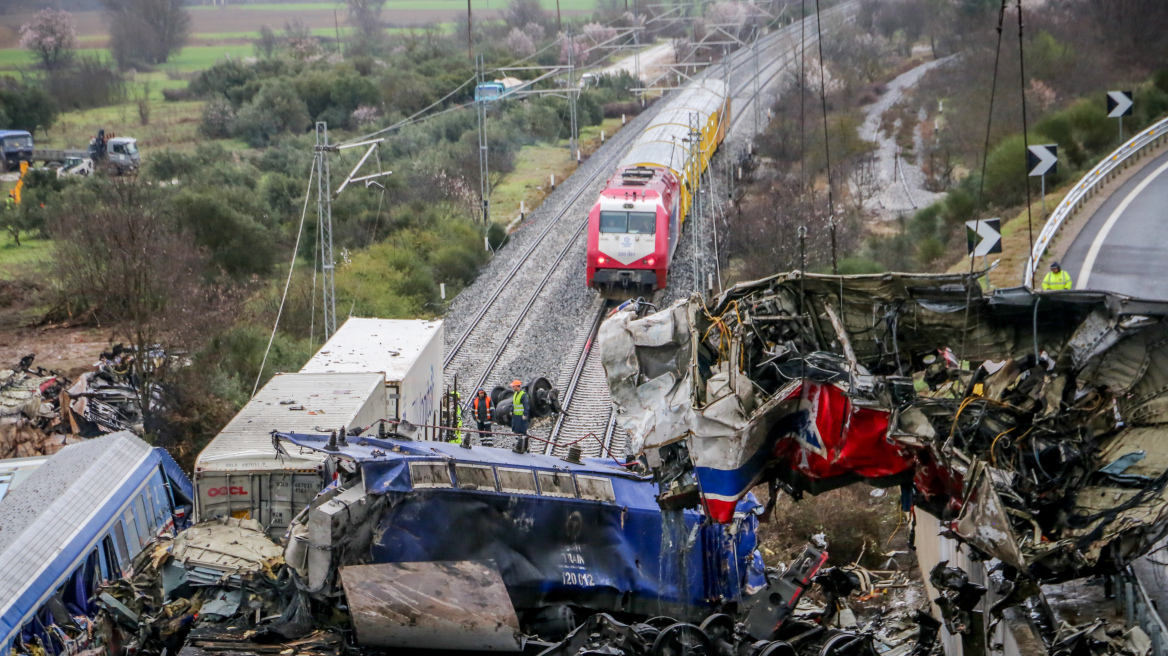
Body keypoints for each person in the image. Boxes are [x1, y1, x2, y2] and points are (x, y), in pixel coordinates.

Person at [510, 379, 529, 453]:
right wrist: (512, 410)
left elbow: (526, 406)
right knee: (517, 431)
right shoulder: (515, 394)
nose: (512, 388)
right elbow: (514, 404)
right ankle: (519, 446)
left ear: (517, 387)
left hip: (521, 417)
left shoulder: (523, 395)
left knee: (522, 432)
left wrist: (525, 414)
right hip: (516, 416)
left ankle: (522, 447)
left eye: (513, 386)